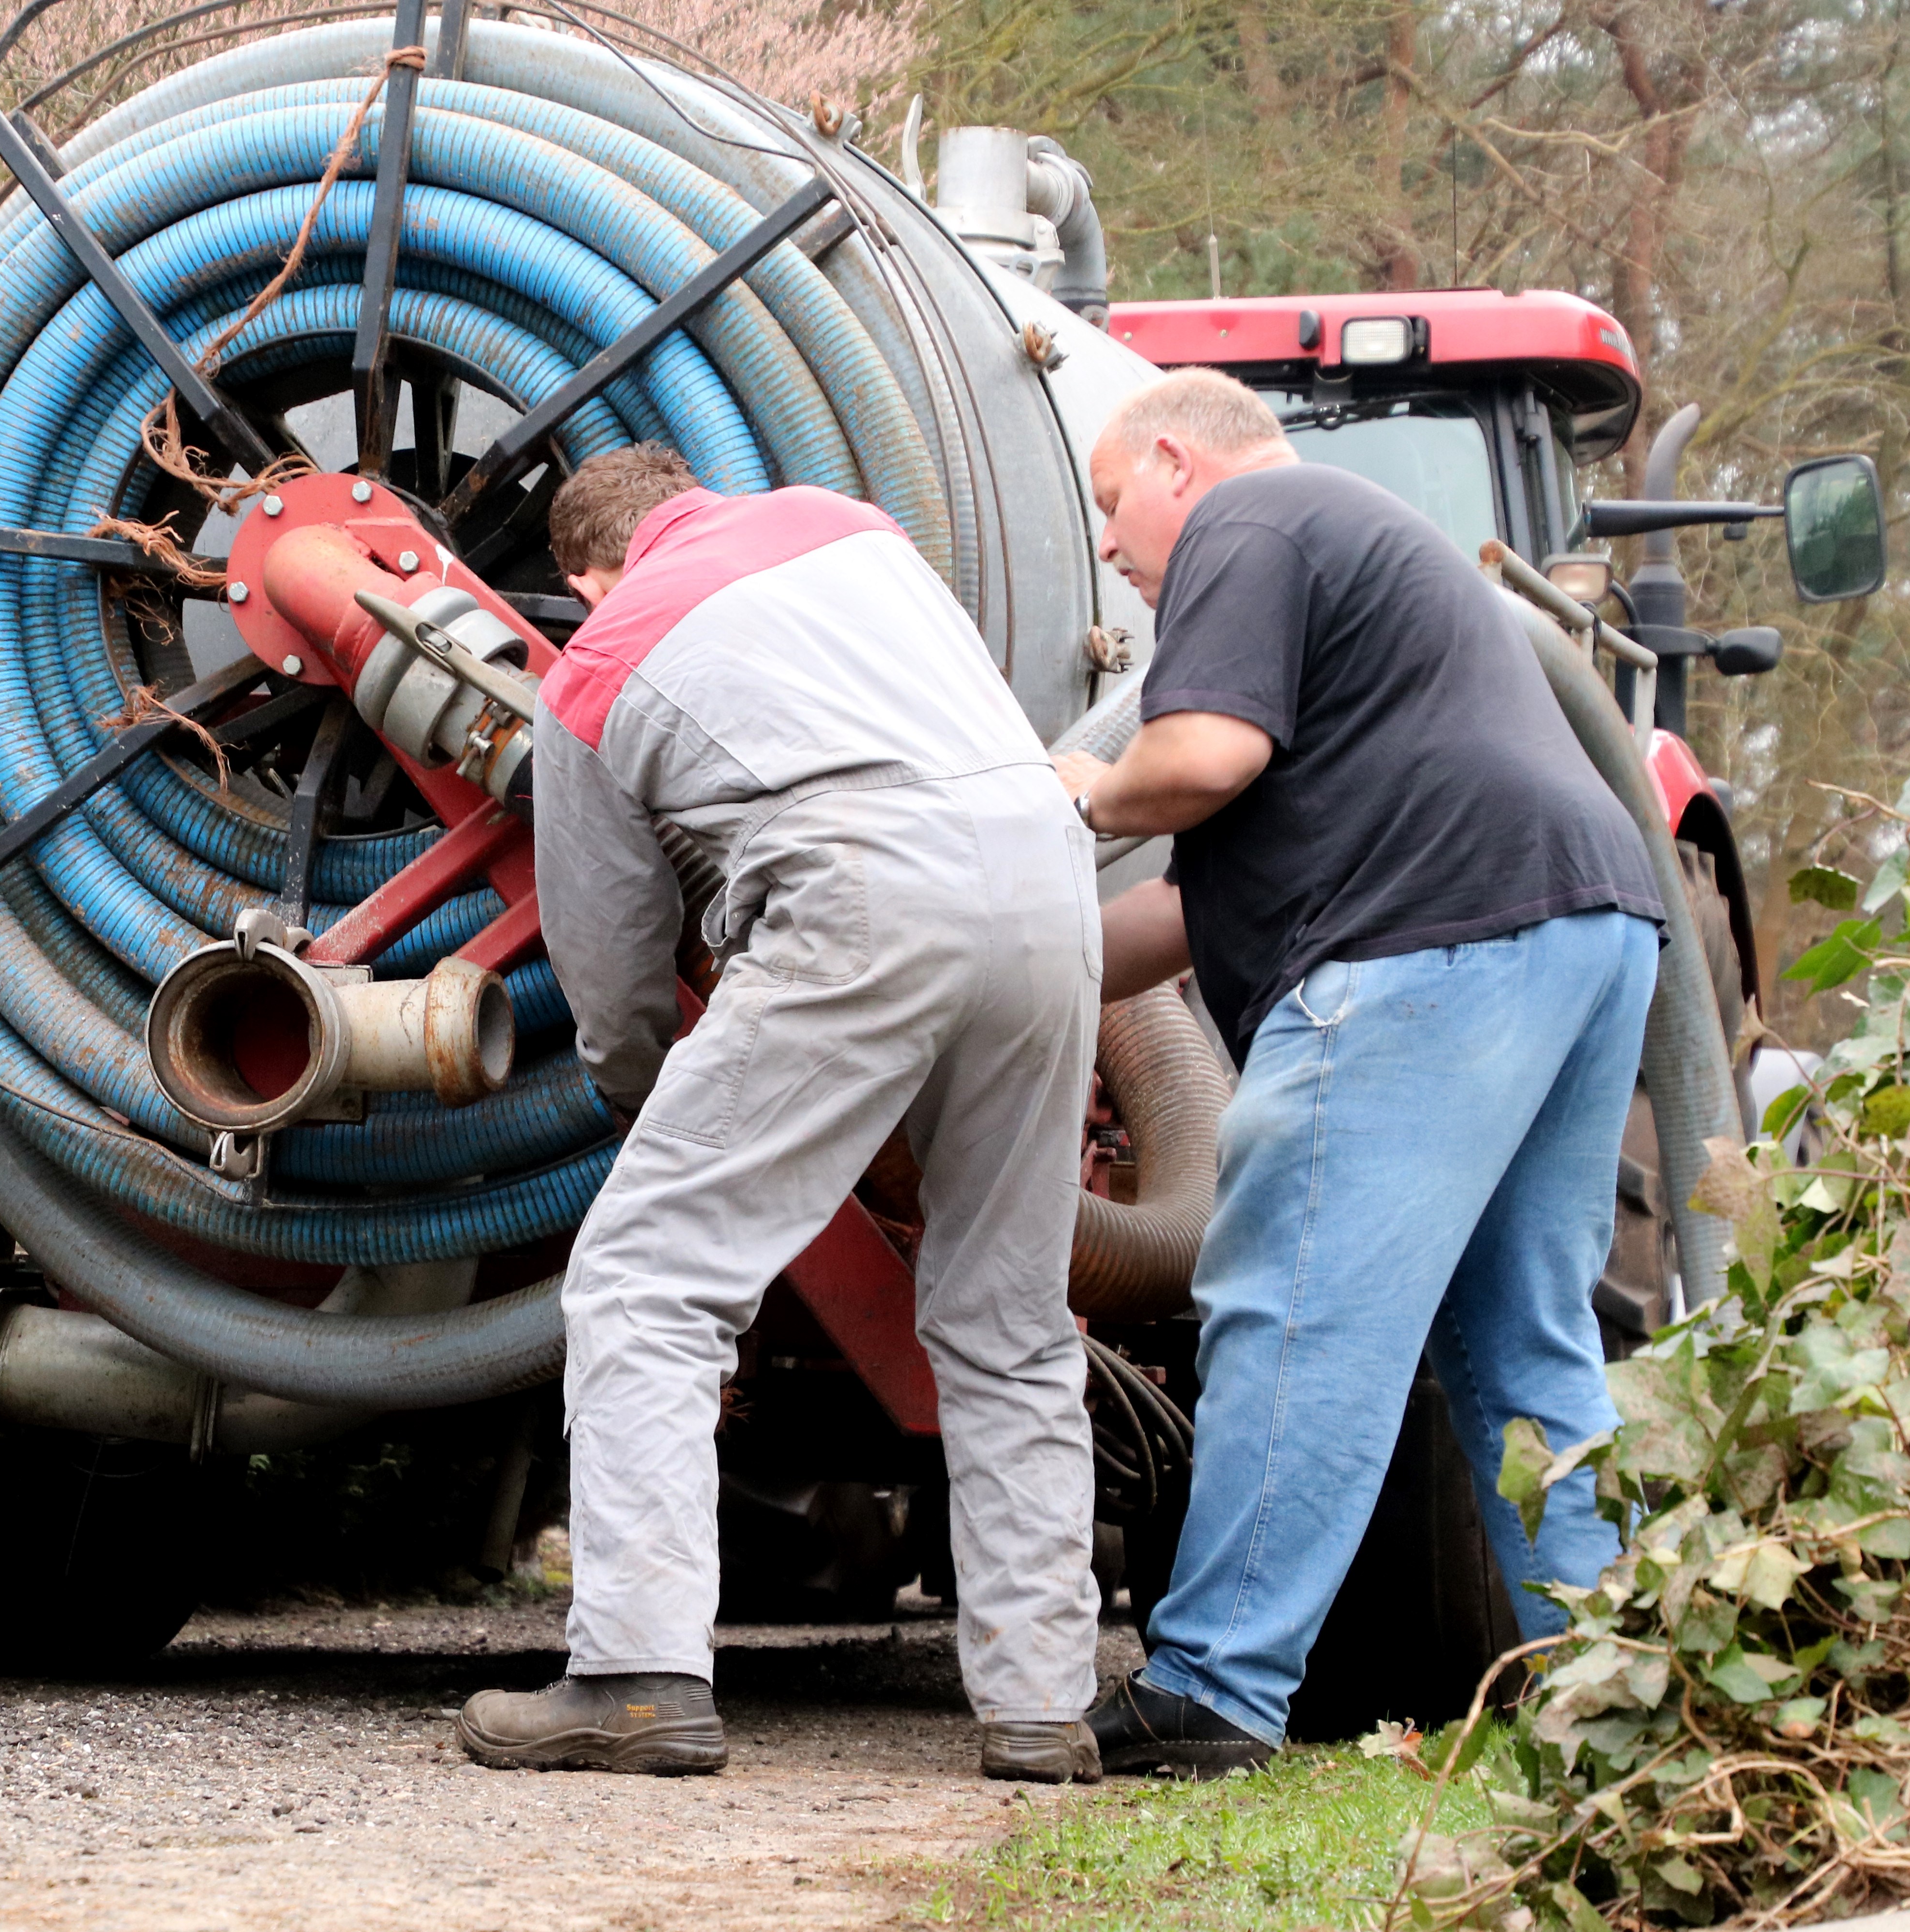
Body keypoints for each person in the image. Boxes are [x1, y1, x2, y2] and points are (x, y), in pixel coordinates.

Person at [452, 445, 1107, 1782]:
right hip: (1048, 878)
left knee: (644, 1280)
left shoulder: (600, 658)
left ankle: (636, 1679)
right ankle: (1043, 1705)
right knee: (1010, 1314)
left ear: (587, 579)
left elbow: (613, 962)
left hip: (859, 890)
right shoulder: (845, 527)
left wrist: (645, 1095)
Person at [1057, 369, 1664, 1777]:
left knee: (1296, 1306)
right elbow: (1190, 909)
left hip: (1426, 948)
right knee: (1522, 1338)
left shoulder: (1252, 523)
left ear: (1175, 461)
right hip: (1580, 931)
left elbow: (1198, 756)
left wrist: (1071, 788)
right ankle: (1618, 1701)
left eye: (1113, 503)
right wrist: (1029, 969)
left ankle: (1213, 1685)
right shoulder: (1359, 563)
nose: (1110, 543)